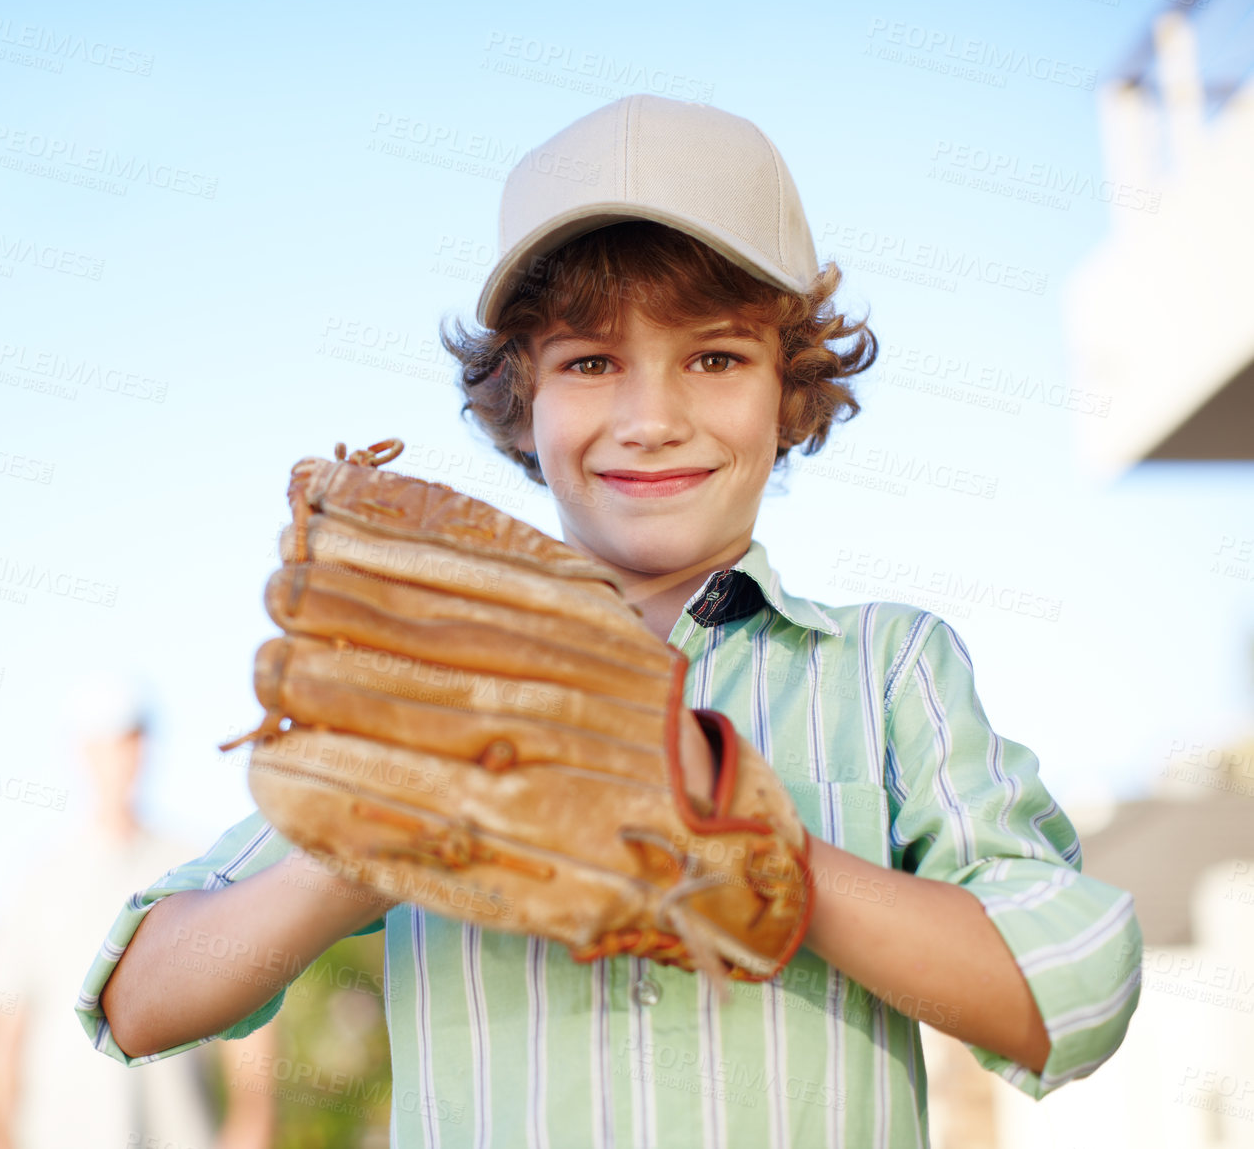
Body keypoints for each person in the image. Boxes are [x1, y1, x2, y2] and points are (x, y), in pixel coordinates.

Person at [75, 95, 1142, 1146]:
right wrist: (391, 821)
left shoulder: (884, 666)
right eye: (590, 361)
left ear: (788, 386)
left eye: (715, 356)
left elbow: (1073, 993)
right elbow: (138, 997)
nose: (649, 417)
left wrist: (742, 834)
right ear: (519, 397)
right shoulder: (432, 677)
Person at [0, 672, 275, 1149]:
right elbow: (3, 1027)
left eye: (130, 741)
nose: (119, 758)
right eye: (105, 744)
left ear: (146, 748)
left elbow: (248, 1003)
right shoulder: (35, 882)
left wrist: (251, 1123)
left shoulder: (194, 867)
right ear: (80, 752)